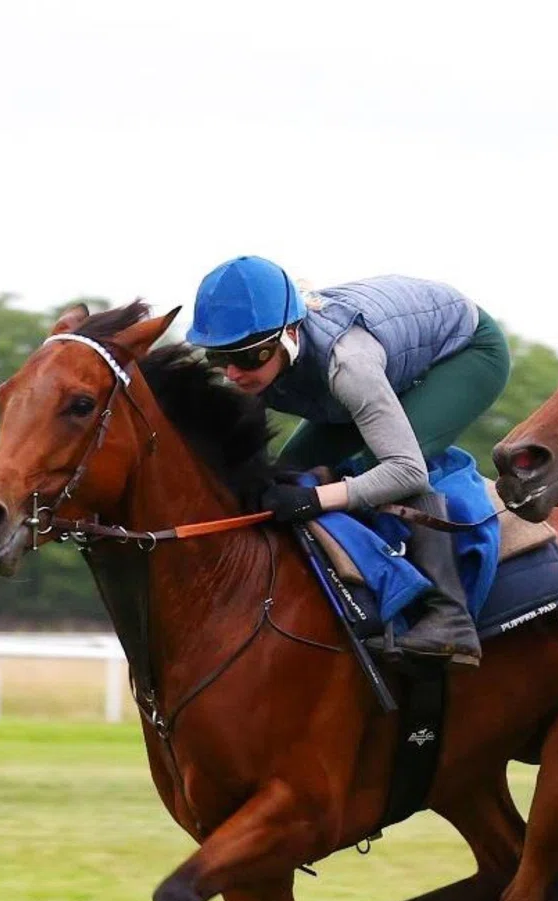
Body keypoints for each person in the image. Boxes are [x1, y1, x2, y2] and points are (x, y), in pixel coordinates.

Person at [187, 257, 511, 666]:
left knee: (383, 461)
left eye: (249, 357)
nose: (233, 373)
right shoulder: (256, 362)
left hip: (462, 352)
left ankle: (450, 619)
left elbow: (404, 469)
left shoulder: (348, 363)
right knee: (287, 471)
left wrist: (316, 499)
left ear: (288, 334)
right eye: (218, 358)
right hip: (380, 363)